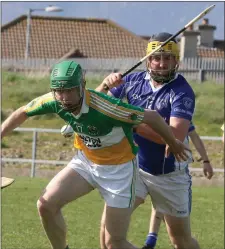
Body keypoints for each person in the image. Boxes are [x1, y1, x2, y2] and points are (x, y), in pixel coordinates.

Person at [1, 60, 189, 249]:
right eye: (59, 91)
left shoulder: (107, 107)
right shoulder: (54, 100)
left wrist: (173, 143)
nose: (64, 97)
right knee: (45, 205)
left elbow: (152, 117)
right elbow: (23, 112)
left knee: (114, 243)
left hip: (119, 172)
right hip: (86, 162)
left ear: (82, 86)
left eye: (70, 90)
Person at [96, 32, 201, 249]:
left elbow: (174, 138)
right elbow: (96, 106)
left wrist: (130, 122)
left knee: (180, 241)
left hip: (170, 175)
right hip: (136, 169)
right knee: (108, 231)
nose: (162, 63)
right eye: (157, 57)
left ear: (176, 61)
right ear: (148, 59)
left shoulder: (182, 92)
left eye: (167, 58)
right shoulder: (132, 82)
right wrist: (105, 86)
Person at [137, 122, 214, 249]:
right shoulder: (142, 106)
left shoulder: (178, 115)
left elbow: (194, 136)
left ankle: (151, 239)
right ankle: (150, 240)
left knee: (180, 240)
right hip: (143, 170)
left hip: (172, 178)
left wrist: (205, 160)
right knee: (113, 228)